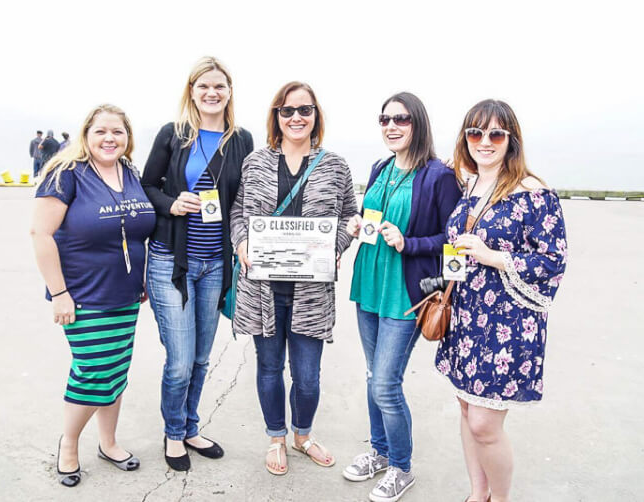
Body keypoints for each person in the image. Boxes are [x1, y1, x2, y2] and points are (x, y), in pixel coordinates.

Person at [434, 99, 567, 502]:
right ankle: (478, 493)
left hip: (508, 325)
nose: (485, 142)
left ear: (512, 140)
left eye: (495, 134)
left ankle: (501, 499)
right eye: (475, 133)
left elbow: (553, 260)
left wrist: (495, 258)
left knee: (484, 426)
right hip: (467, 318)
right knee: (465, 410)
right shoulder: (468, 186)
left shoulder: (534, 193)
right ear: (465, 138)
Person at [229, 81, 359, 476]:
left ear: (316, 116)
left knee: (306, 375)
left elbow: (348, 218)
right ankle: (276, 437)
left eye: (304, 110)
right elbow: (237, 213)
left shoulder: (335, 166)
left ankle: (303, 434)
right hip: (263, 290)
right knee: (268, 369)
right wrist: (242, 244)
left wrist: (334, 248)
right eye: (287, 111)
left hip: (311, 291)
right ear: (276, 117)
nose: (296, 117)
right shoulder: (255, 163)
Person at [343, 92, 462, 502]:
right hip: (369, 287)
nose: (391, 126)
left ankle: (401, 467)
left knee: (386, 385)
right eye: (385, 119)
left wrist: (409, 243)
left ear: (418, 124)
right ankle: (378, 452)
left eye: (401, 119)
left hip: (406, 295)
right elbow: (372, 215)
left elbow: (455, 238)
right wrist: (361, 224)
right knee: (374, 377)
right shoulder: (380, 167)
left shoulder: (438, 176)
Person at [30, 104, 156, 487]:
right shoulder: (66, 175)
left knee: (115, 370)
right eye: (101, 131)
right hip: (83, 295)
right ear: (86, 134)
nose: (109, 139)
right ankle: (68, 445)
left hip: (126, 295)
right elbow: (41, 235)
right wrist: (60, 294)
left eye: (117, 132)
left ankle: (109, 442)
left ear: (127, 138)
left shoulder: (129, 172)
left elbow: (137, 231)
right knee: (92, 373)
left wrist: (145, 278)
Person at [141, 57, 254, 472]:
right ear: (191, 91)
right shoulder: (173, 135)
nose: (212, 93)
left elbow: (247, 199)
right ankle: (173, 433)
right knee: (180, 359)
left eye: (219, 86)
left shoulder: (241, 139)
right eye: (203, 86)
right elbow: (146, 185)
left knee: (203, 357)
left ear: (229, 92)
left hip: (216, 264)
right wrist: (173, 204)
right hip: (172, 260)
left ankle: (190, 426)